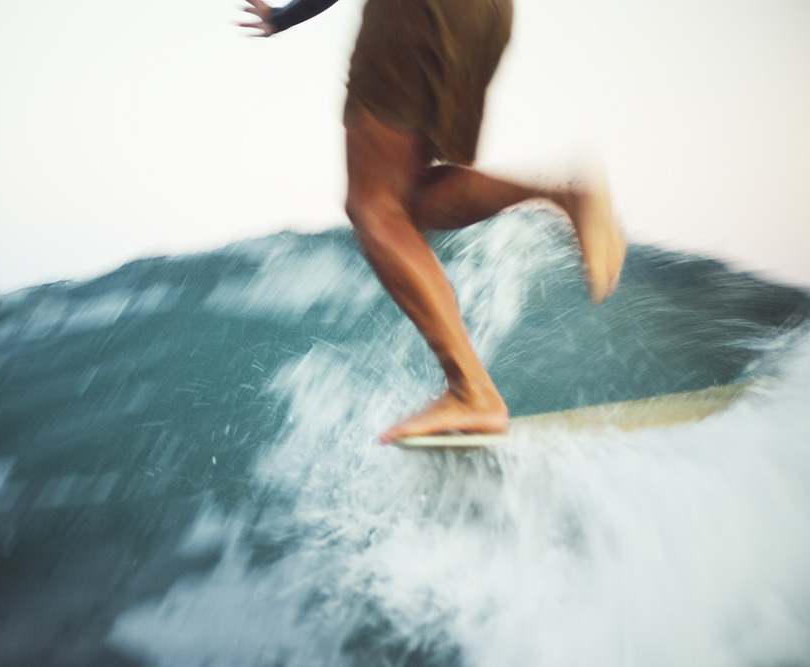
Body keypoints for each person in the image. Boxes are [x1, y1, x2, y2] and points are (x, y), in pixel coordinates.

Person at [241, 0, 626, 443]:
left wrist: (284, 16)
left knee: (372, 206)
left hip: (416, 10)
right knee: (405, 202)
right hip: (488, 13)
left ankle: (471, 390)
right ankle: (560, 190)